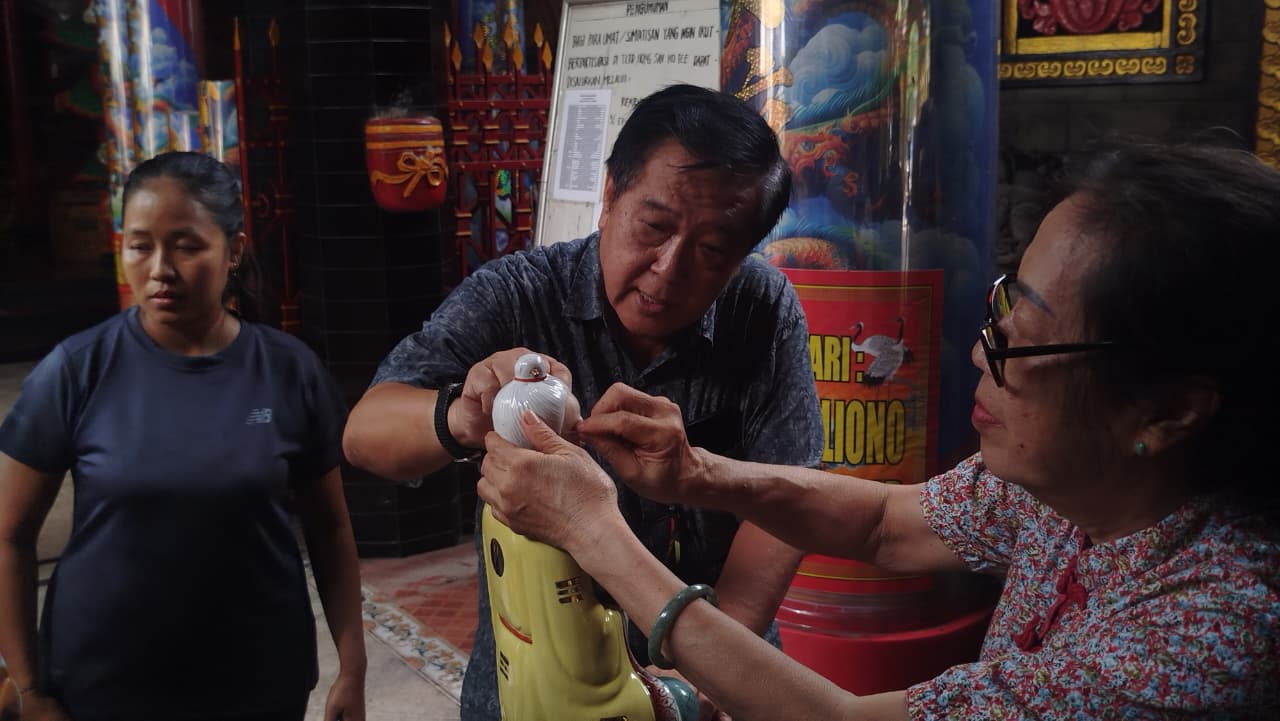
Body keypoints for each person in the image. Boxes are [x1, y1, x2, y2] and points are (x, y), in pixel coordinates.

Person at [476, 137, 1280, 720]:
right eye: (1002, 306)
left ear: (1171, 410)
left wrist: (595, 532)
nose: (981, 351)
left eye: (1025, 338)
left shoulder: (1208, 635)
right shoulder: (1078, 486)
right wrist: (695, 472)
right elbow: (885, 522)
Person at [342, 83, 824, 720]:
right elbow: (365, 433)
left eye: (711, 251)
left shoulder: (761, 309)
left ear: (741, 256)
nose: (668, 269)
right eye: (653, 227)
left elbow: (782, 495)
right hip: (535, 682)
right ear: (610, 194)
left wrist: (702, 671)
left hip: (712, 676)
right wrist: (461, 414)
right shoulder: (519, 294)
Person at [0, 152, 367, 721]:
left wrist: (352, 665)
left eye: (186, 246)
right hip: (103, 685)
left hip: (258, 678)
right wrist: (29, 688)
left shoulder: (289, 371)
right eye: (139, 245)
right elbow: (9, 536)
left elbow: (330, 528)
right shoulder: (76, 370)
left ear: (234, 251)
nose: (159, 269)